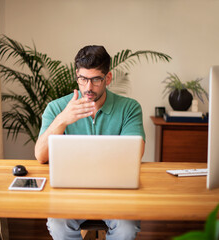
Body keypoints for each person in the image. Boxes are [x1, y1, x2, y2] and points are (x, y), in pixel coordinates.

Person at [34, 45, 145, 240]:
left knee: (126, 229)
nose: (88, 87)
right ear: (77, 75)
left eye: (95, 80)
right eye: (83, 79)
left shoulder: (129, 108)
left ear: (108, 78)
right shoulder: (57, 107)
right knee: (58, 225)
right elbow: (40, 156)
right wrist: (62, 120)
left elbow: (135, 153)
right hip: (70, 193)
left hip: (116, 191)